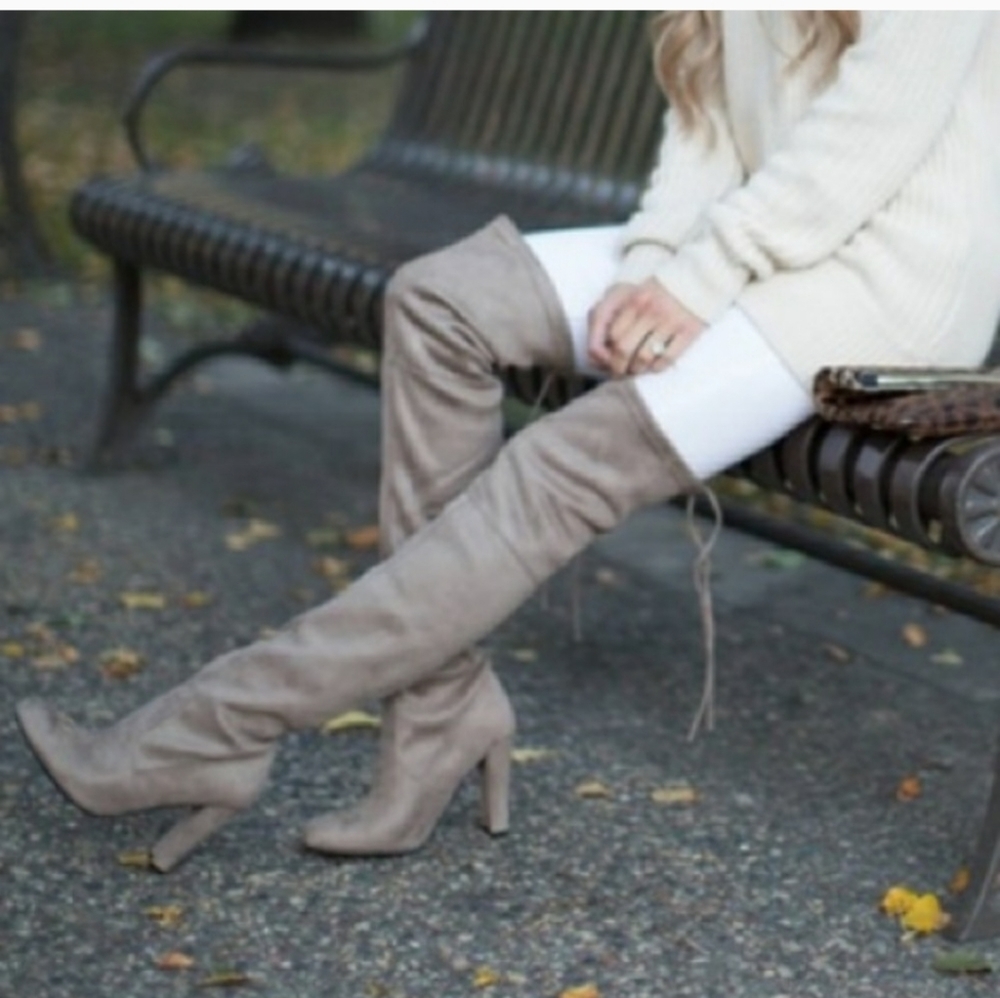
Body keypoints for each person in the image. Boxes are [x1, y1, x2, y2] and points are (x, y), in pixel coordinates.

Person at [16, 12, 1000, 870]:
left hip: (878, 279)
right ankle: (441, 713)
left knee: (555, 464)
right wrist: (656, 258)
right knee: (444, 299)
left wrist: (697, 279)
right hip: (745, 242)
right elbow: (701, 114)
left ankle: (213, 724)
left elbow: (870, 137)